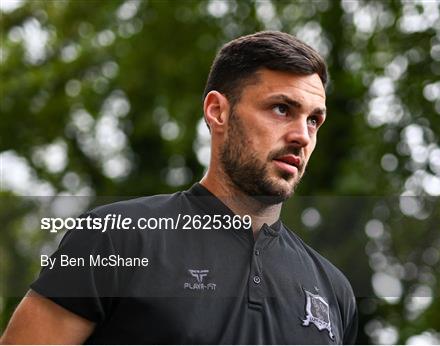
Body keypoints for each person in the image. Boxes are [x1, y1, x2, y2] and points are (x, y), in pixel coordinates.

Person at [0, 31, 358, 344]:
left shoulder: (334, 291)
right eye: (281, 109)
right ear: (218, 112)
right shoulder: (115, 238)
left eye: (313, 120)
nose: (302, 136)